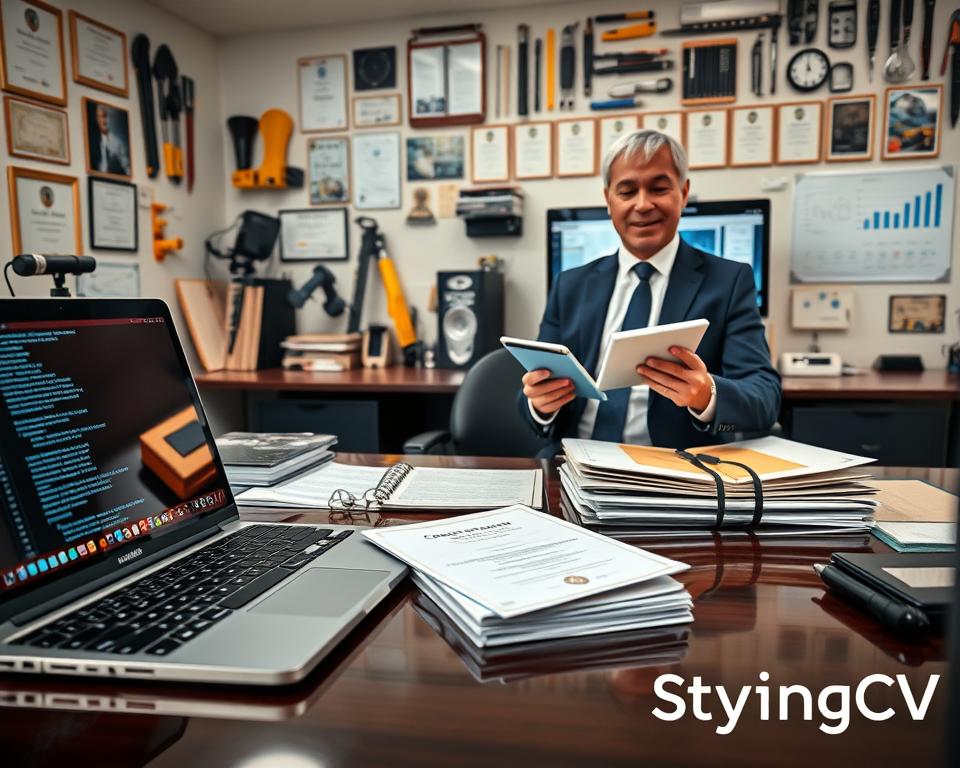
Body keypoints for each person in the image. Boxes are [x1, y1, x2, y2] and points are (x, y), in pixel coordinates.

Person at [520, 129, 780, 451]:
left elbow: (765, 397)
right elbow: (532, 397)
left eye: (658, 188)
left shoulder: (728, 282)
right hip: (574, 464)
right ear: (608, 200)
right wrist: (541, 405)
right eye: (627, 192)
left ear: (683, 193)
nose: (642, 205)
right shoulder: (570, 285)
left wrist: (706, 394)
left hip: (675, 472)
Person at [88, 103, 130, 176]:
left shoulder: (118, 142)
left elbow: (127, 170)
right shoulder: (92, 143)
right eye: (102, 116)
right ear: (97, 119)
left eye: (106, 116)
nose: (105, 121)